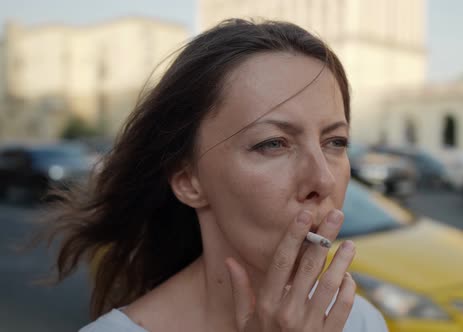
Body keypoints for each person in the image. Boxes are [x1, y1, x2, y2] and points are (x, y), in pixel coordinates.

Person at [44, 18, 388, 331]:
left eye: (335, 142)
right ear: (187, 180)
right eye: (273, 144)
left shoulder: (359, 320)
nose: (323, 181)